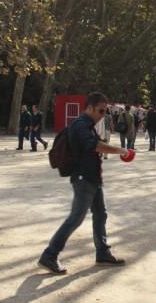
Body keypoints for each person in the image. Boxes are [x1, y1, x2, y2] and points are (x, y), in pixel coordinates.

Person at [38, 92, 128, 275]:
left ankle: (102, 252)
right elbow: (94, 145)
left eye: (105, 111)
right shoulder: (80, 125)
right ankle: (49, 254)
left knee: (100, 214)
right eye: (100, 111)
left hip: (93, 178)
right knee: (76, 218)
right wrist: (120, 150)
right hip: (83, 179)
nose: (102, 115)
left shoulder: (88, 125)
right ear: (89, 108)